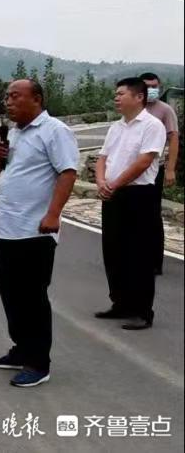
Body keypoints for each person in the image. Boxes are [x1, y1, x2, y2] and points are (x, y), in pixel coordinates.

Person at [0, 79, 79, 388]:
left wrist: (54, 214)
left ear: (37, 99)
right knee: (11, 296)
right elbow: (7, 173)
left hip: (35, 230)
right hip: (6, 228)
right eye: (7, 96)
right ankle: (20, 349)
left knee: (32, 298)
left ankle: (39, 362)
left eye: (15, 96)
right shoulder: (14, 132)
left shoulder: (54, 131)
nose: (8, 102)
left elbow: (68, 172)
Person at [95, 77, 166, 331]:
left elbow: (144, 162)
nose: (116, 97)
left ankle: (142, 311)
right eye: (115, 93)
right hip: (113, 195)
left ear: (139, 97)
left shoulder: (152, 125)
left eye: (121, 93)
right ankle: (120, 303)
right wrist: (101, 181)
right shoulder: (116, 127)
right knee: (113, 251)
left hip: (139, 196)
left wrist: (114, 185)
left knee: (139, 254)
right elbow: (103, 158)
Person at [139, 72, 179, 276]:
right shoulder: (135, 109)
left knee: (153, 215)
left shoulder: (165, 110)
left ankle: (155, 263)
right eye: (146, 86)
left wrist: (170, 168)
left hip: (155, 169)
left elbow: (173, 139)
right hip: (133, 171)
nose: (151, 89)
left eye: (154, 85)